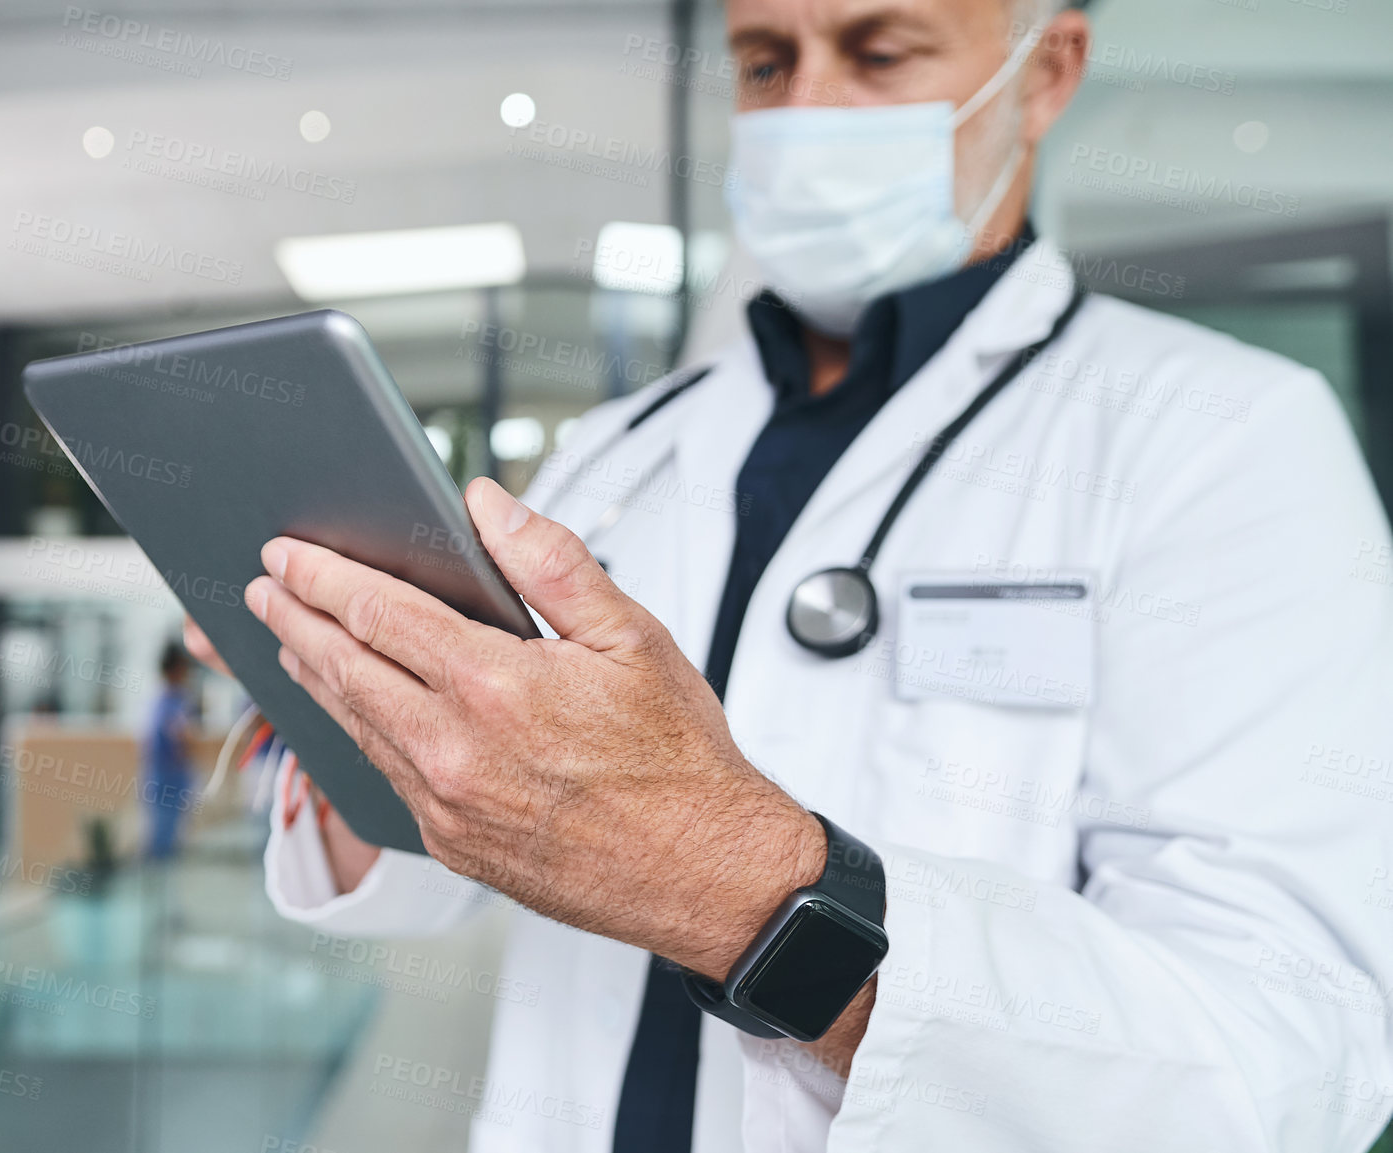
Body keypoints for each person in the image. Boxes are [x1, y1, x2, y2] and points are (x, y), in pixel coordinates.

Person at [188, 0, 1393, 1147]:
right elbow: (438, 875)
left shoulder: (1221, 438)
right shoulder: (619, 446)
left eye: (879, 53)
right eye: (766, 62)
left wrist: (738, 890)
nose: (808, 104)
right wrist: (354, 704)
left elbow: (1287, 1059)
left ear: (1046, 72)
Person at [140, 642, 197, 860]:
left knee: (169, 840)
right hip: (163, 780)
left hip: (170, 779)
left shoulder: (175, 700)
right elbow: (175, 739)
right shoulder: (164, 703)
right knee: (159, 840)